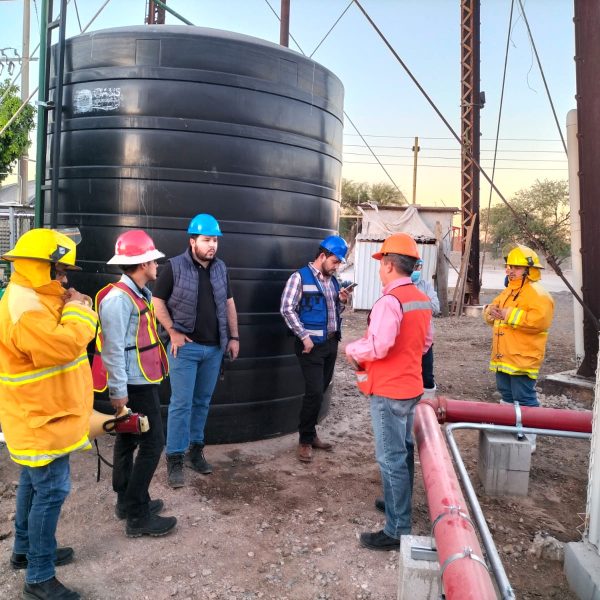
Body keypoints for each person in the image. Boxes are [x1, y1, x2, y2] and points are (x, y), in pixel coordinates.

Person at [0, 228, 98, 600]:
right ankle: (39, 576)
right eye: (60, 271)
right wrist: (80, 310)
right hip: (40, 417)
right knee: (52, 490)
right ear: (42, 267)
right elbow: (62, 345)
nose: (65, 278)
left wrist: (66, 302)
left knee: (33, 483)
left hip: (39, 414)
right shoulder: (25, 307)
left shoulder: (30, 298)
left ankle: (25, 551)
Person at [345, 233, 432, 551]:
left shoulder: (389, 302)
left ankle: (397, 528)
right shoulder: (419, 299)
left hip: (389, 390)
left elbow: (379, 346)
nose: (379, 269)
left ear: (391, 265)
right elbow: (425, 343)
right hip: (410, 387)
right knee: (404, 452)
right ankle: (399, 506)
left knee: (390, 457)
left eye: (382, 263)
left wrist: (353, 348)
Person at [92, 230, 177, 537]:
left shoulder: (139, 293)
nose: (157, 264)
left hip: (142, 378)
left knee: (129, 440)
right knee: (153, 444)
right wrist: (118, 393)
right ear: (142, 264)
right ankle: (137, 515)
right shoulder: (117, 300)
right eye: (154, 259)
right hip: (133, 384)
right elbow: (112, 349)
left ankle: (127, 502)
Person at [153, 214, 239, 488]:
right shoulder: (174, 267)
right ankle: (175, 458)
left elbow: (228, 303)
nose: (212, 245)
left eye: (215, 240)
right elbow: (157, 302)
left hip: (214, 349)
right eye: (206, 240)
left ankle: (195, 451)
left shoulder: (220, 268)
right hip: (185, 351)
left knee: (202, 402)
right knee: (181, 404)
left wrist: (234, 337)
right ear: (193, 242)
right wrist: (174, 332)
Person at [280, 235, 351, 463]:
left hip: (330, 343)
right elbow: (287, 309)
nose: (337, 266)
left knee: (319, 391)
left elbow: (332, 313)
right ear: (322, 256)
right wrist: (304, 337)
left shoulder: (332, 281)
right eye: (335, 261)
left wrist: (342, 301)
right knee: (313, 392)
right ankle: (304, 441)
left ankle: (311, 434)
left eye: (339, 262)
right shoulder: (299, 278)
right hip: (310, 346)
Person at [483, 244, 554, 451]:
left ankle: (528, 439)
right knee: (506, 394)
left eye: (516, 267)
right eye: (509, 266)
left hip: (523, 357)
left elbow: (539, 321)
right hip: (503, 357)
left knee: (524, 397)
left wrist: (507, 314)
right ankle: (509, 430)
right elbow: (492, 311)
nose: (510, 270)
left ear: (529, 270)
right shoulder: (508, 291)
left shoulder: (538, 295)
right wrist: (491, 312)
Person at [411, 259, 440, 397]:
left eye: (419, 266)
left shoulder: (426, 286)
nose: (417, 270)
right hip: (407, 341)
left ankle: (427, 407)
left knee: (427, 378)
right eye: (414, 266)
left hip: (425, 341)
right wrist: (423, 303)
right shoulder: (397, 286)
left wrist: (415, 302)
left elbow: (435, 307)